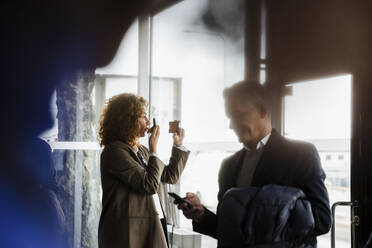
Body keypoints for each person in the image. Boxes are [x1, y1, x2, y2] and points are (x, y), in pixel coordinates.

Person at [176, 81, 332, 247]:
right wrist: (200, 214)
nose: (231, 125)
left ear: (262, 110)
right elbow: (228, 228)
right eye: (230, 117)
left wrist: (265, 215)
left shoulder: (301, 155)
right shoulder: (229, 166)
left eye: (238, 115)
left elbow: (321, 219)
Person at [97, 93, 190, 248]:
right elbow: (149, 184)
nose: (148, 121)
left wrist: (178, 145)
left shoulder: (142, 150)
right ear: (127, 120)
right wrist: (154, 149)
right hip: (126, 232)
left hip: (151, 223)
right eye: (143, 116)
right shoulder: (114, 151)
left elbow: (169, 176)